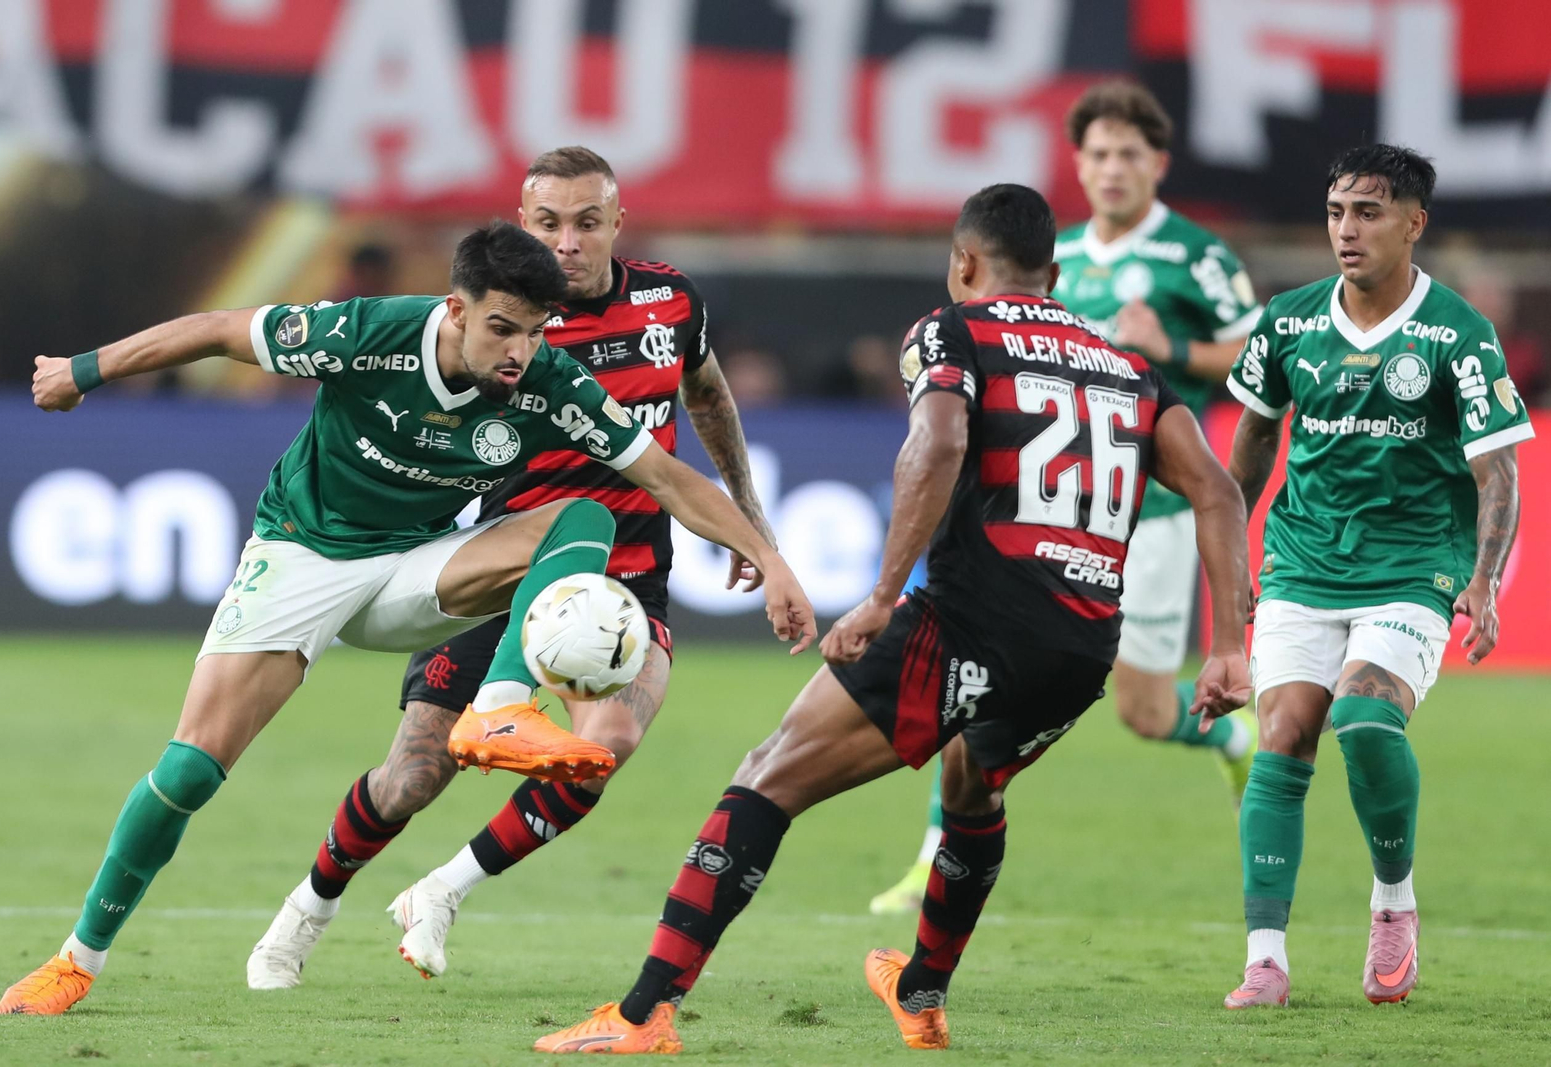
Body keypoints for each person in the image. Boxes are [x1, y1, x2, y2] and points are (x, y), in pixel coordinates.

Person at [0, 221, 815, 1017]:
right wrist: (82, 370)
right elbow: (216, 330)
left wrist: (770, 557)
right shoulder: (368, 332)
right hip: (304, 556)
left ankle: (500, 707)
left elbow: (666, 478)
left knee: (583, 517)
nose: (520, 352)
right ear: (455, 309)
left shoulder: (548, 379)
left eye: (535, 332)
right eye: (502, 329)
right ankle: (76, 959)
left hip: (419, 567)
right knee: (188, 772)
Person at [529, 183, 1253, 1054]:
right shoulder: (1128, 368)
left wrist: (880, 597)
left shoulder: (953, 331)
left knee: (768, 775)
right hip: (1083, 643)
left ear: (964, 263)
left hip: (974, 617)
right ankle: (922, 991)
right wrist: (1227, 647)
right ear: (1055, 275)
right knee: (972, 785)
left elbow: (938, 443)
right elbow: (1218, 490)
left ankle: (643, 1013)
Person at [245, 146, 777, 987]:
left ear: (618, 223)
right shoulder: (504, 319)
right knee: (412, 776)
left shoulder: (671, 302)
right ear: (524, 224)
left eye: (587, 222)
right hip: (508, 570)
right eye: (549, 223)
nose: (568, 242)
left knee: (601, 747)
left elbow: (706, 395)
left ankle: (443, 890)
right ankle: (306, 908)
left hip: (626, 579)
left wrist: (749, 514)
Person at [870, 79, 1262, 917]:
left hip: (1150, 513)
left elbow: (1256, 359)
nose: (1112, 168)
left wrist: (1174, 344)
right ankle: (933, 854)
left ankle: (1234, 736)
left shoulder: (1196, 257)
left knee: (1146, 712)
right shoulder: (1057, 256)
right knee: (968, 666)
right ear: (1078, 164)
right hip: (1037, 510)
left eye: (1129, 154)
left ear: (1157, 165)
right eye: (1098, 154)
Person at [1221, 145, 1532, 1009]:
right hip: (1303, 558)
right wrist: (1232, 555)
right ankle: (1265, 960)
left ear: (1413, 222)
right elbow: (1253, 440)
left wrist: (1484, 580)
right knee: (1283, 733)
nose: (1346, 230)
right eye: (1336, 212)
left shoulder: (1457, 332)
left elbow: (1498, 472)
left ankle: (1393, 902)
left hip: (1413, 562)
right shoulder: (1287, 322)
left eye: (1367, 212)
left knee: (1362, 717)